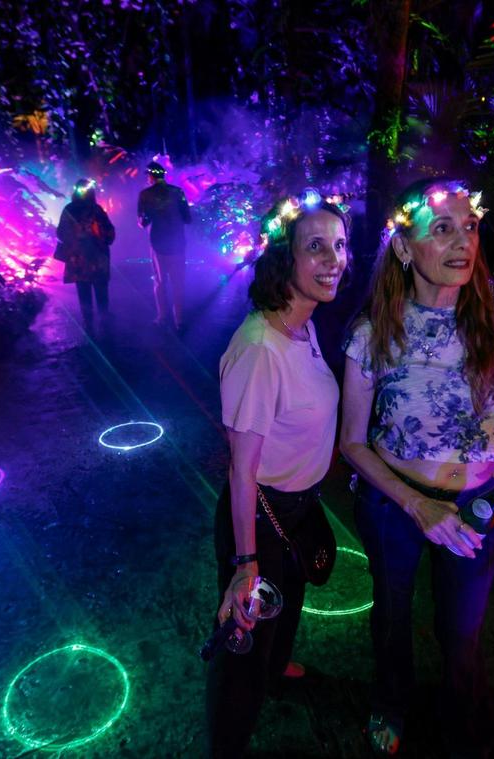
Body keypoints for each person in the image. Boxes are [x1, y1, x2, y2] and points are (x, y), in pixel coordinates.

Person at [339, 178, 494, 757]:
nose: (463, 241)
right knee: (392, 615)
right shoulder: (373, 330)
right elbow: (352, 444)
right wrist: (418, 505)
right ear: (405, 249)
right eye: (442, 229)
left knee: (462, 632)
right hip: (394, 502)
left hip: (482, 504)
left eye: (469, 226)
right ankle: (391, 703)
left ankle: (465, 720)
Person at [206, 190, 350, 757]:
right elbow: (241, 471)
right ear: (283, 259)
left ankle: (275, 672)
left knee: (287, 600)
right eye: (315, 247)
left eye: (339, 246)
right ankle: (227, 741)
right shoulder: (260, 347)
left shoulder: (304, 323)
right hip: (260, 512)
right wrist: (245, 564)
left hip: (298, 504)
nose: (333, 259)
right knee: (244, 636)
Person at [137, 161, 192, 329]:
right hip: (177, 243)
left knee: (160, 282)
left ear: (150, 176)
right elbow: (188, 218)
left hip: (158, 243)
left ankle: (162, 317)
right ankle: (179, 320)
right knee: (178, 282)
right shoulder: (178, 192)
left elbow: (142, 222)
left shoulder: (145, 195)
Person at [56, 178, 115, 330]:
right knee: (101, 290)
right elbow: (110, 233)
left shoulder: (68, 209)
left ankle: (88, 322)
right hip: (98, 258)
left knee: (83, 291)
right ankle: (105, 320)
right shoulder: (97, 210)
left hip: (78, 259)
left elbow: (60, 233)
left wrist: (74, 240)